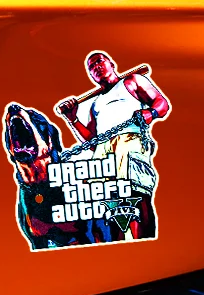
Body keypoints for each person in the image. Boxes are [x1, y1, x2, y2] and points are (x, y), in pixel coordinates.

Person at [54, 50, 170, 239]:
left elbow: (161, 103)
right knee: (107, 203)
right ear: (91, 76)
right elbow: (92, 141)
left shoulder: (132, 81)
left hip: (129, 140)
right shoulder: (96, 103)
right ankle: (117, 243)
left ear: (111, 64)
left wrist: (151, 113)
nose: (96, 67)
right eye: (91, 67)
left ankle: (143, 241)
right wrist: (72, 118)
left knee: (135, 191)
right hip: (103, 151)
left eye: (99, 61)